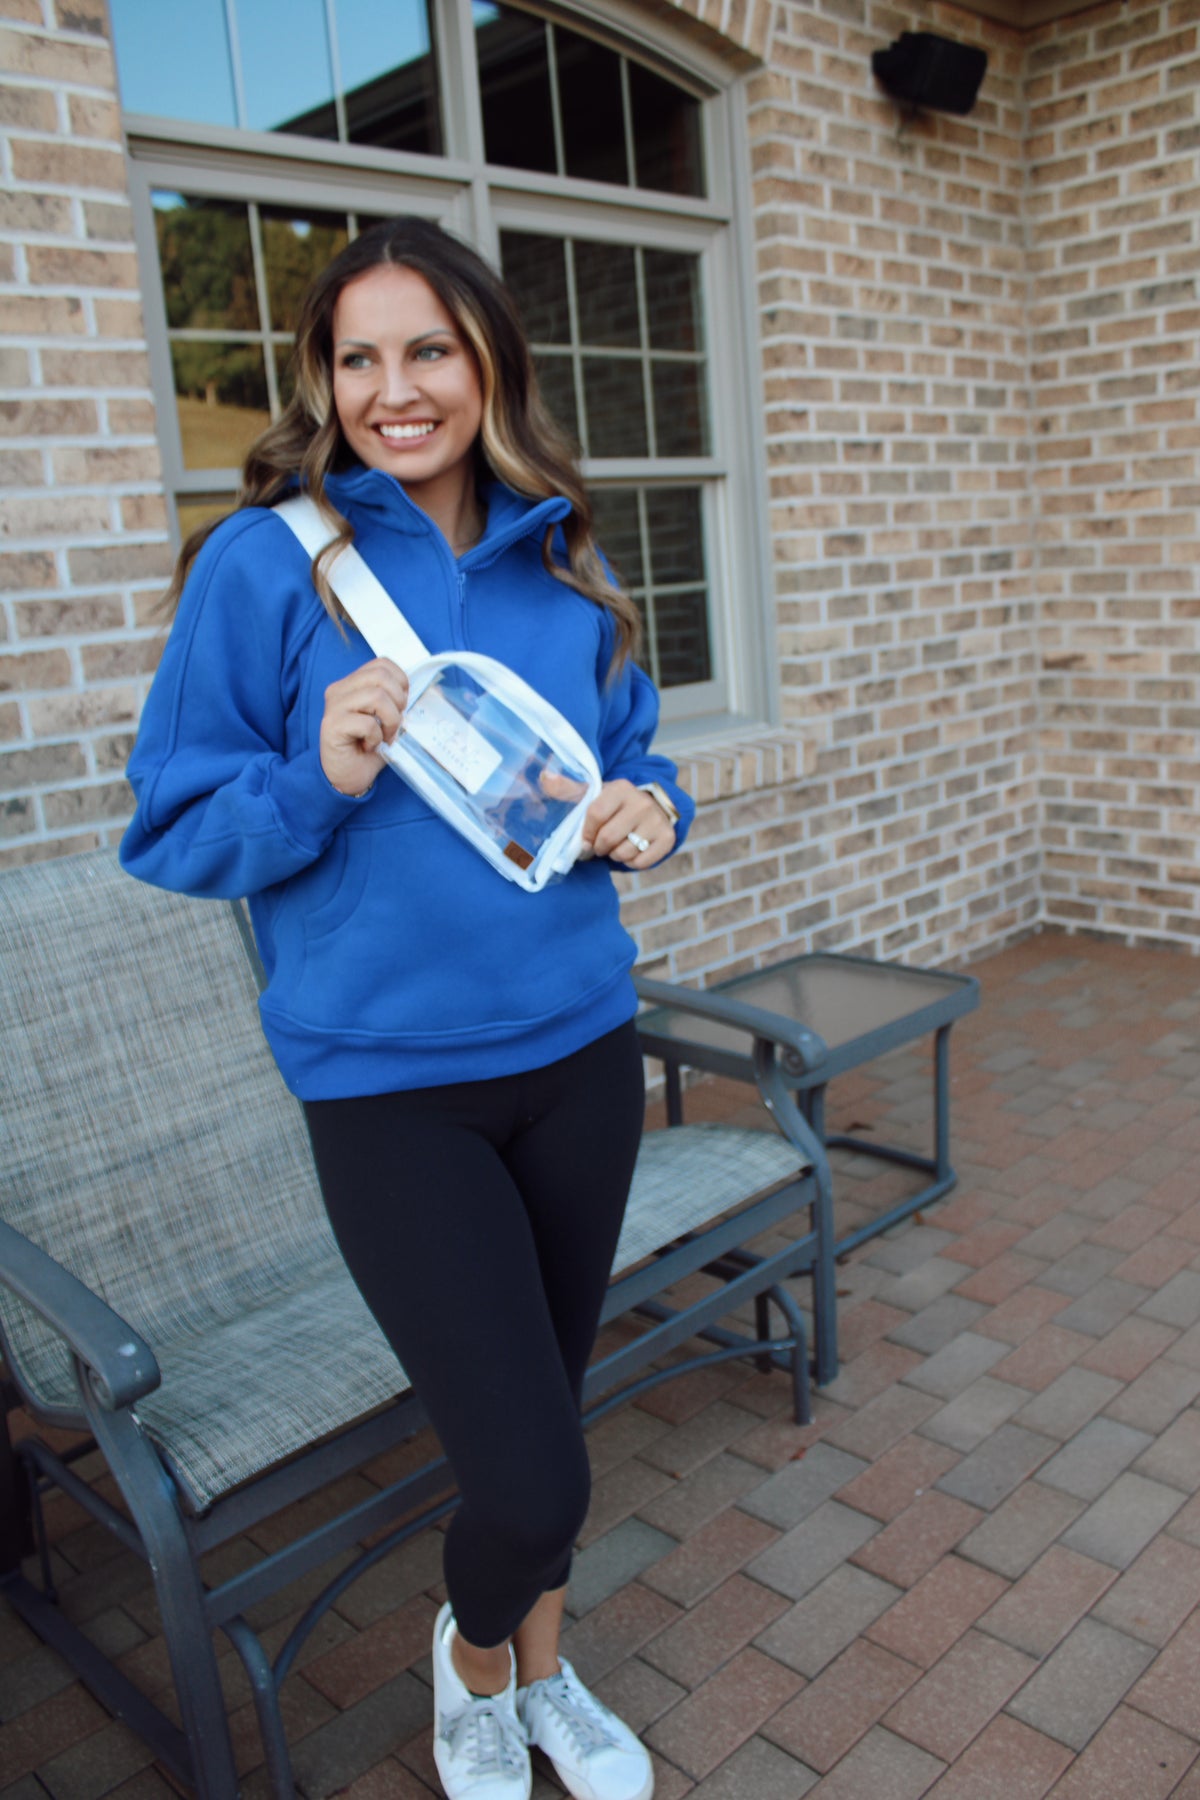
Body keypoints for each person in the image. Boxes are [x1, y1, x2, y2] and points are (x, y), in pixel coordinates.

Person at [120, 215, 693, 1800]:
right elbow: (169, 827)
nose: (395, 390)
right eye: (358, 357)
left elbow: (635, 752)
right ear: (324, 377)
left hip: (582, 1052)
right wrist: (314, 774)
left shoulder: (564, 555)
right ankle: (473, 1663)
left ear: (487, 360)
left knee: (550, 1412)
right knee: (531, 1475)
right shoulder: (268, 565)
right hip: (389, 1093)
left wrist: (652, 809)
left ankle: (541, 1676)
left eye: (428, 349)